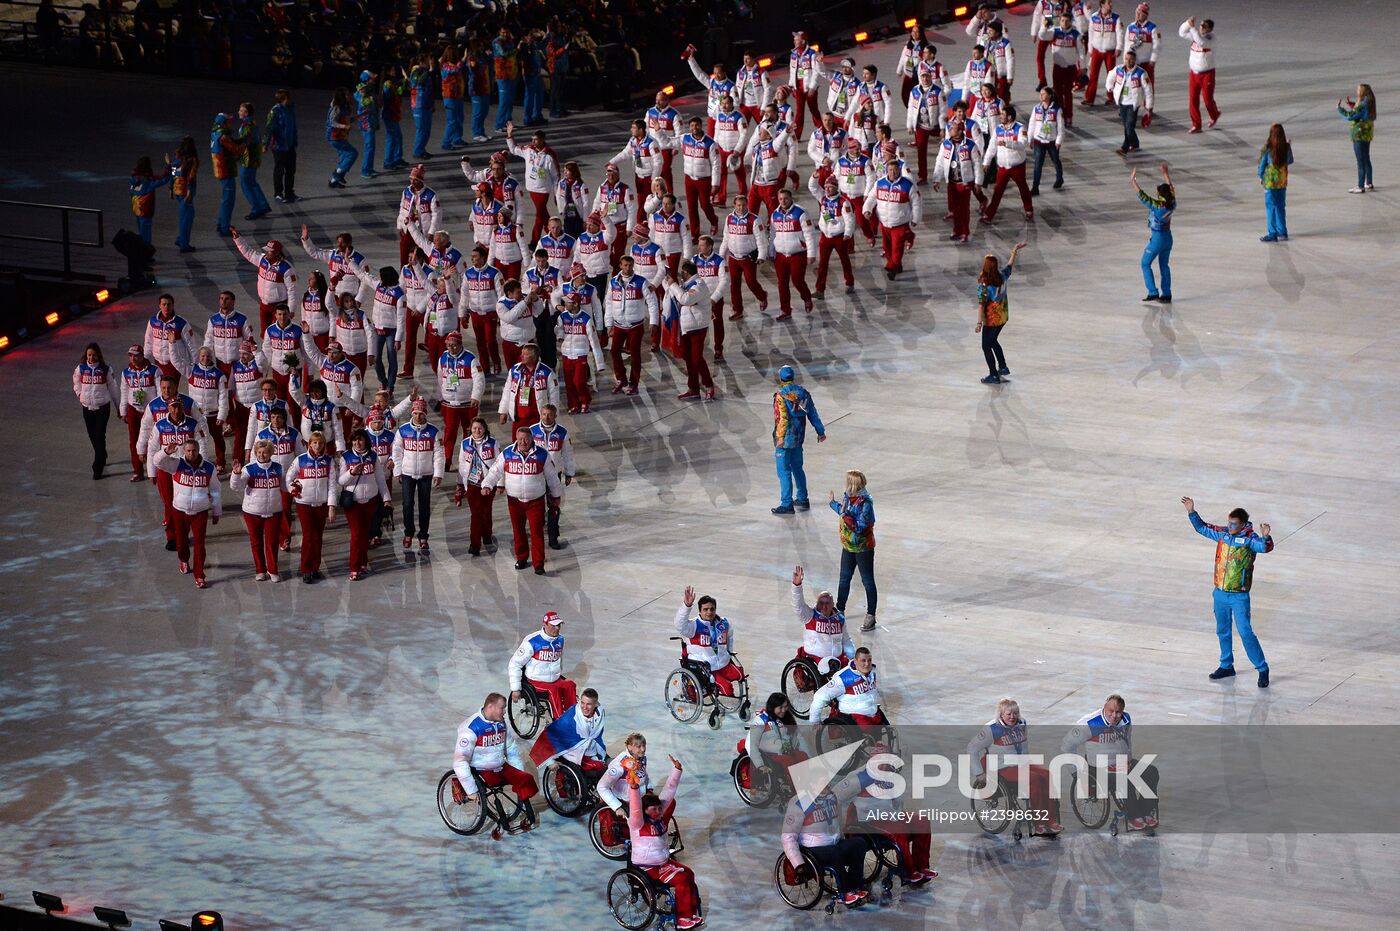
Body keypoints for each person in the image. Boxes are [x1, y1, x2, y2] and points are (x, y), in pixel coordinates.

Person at [1182, 496, 1274, 688]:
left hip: (1239, 596)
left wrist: (1266, 536)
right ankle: (1226, 665)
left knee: (1245, 632)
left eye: (1233, 524)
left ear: (1242, 524)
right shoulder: (1223, 534)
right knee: (1222, 630)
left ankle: (1262, 668)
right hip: (1220, 593)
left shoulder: (1250, 539)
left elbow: (1264, 548)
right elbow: (1202, 528)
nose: (1230, 527)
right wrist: (1192, 512)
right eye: (1229, 523)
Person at [1060, 693, 1159, 831]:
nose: (1114, 715)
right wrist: (1076, 772)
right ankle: (1133, 817)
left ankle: (1145, 811)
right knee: (1125, 779)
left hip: (1122, 762)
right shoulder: (1089, 724)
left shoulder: (1126, 719)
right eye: (1110, 711)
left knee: (1151, 772)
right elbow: (1067, 745)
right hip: (1099, 768)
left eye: (1118, 712)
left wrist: (1129, 760)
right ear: (1104, 708)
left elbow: (1127, 741)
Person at [967, 697, 1063, 836]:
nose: (1013, 717)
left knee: (1048, 775)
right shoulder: (991, 729)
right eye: (1009, 714)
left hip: (1022, 763)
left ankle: (1050, 820)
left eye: (1015, 713)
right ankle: (1039, 823)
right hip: (1003, 767)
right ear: (1001, 714)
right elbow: (972, 748)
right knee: (1034, 779)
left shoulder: (1022, 723)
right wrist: (979, 773)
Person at [626, 756, 702, 929]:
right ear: (645, 811)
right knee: (682, 879)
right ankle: (682, 919)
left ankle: (690, 914)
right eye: (654, 809)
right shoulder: (637, 823)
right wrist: (634, 788)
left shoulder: (659, 818)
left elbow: (668, 794)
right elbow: (636, 808)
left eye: (659, 809)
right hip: (647, 867)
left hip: (662, 862)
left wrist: (676, 771)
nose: (659, 811)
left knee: (689, 874)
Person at [781, 768, 872, 908]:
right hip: (813, 849)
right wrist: (798, 863)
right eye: (823, 783)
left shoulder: (831, 797)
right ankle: (845, 893)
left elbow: (850, 786)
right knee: (834, 854)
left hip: (834, 842)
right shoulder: (799, 803)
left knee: (859, 844)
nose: (828, 786)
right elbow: (788, 836)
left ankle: (855, 886)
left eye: (828, 782)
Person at [452, 693, 538, 831]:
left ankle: (527, 812)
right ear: (490, 707)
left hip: (500, 766)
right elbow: (460, 761)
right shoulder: (471, 728)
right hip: (481, 770)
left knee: (526, 779)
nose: (505, 712)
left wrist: (518, 771)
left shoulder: (501, 723)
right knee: (497, 782)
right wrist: (471, 790)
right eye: (502, 708)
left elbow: (511, 749)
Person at [482, 425, 562, 574]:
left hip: (536, 501)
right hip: (514, 501)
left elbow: (552, 477)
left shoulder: (542, 455)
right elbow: (495, 471)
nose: (523, 442)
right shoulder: (507, 453)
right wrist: (487, 484)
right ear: (516, 439)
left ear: (531, 439)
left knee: (536, 531)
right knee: (518, 530)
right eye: (520, 439)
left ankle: (538, 563)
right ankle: (522, 557)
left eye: (526, 439)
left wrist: (556, 495)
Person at [152, 438, 220, 588]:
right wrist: (165, 452)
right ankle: (183, 559)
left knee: (199, 544)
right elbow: (157, 462)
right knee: (181, 541)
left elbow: (215, 489)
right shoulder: (177, 464)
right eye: (188, 450)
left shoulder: (209, 468)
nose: (191, 453)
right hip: (179, 510)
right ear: (184, 451)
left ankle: (199, 575)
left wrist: (216, 511)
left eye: (194, 450)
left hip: (200, 512)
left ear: (198, 450)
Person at [826, 470, 878, 632]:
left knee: (867, 582)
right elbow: (843, 512)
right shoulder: (848, 497)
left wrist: (844, 513)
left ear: (853, 484)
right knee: (844, 579)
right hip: (848, 547)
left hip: (863, 548)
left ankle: (871, 615)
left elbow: (860, 527)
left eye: (848, 482)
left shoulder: (866, 503)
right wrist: (833, 503)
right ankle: (839, 611)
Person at [338, 428, 392, 580]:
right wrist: (352, 472)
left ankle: (363, 563)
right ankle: (354, 567)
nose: (358, 443)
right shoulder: (346, 457)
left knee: (365, 534)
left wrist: (386, 498)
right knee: (356, 535)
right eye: (355, 440)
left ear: (365, 441)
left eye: (360, 440)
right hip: (353, 503)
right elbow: (340, 481)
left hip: (371, 500)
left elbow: (380, 480)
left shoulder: (373, 456)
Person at [771, 365, 826, 514]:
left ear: (781, 378)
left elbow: (782, 418)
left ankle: (787, 503)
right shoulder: (804, 394)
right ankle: (802, 498)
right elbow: (813, 413)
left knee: (784, 471)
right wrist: (820, 431)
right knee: (797, 468)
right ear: (793, 377)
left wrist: (780, 438)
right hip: (798, 438)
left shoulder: (780, 396)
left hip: (785, 440)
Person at [392, 397, 444, 551]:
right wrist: (397, 471)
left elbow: (439, 454)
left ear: (426, 414)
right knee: (407, 505)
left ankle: (423, 536)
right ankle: (408, 533)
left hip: (426, 474)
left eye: (421, 414)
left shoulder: (434, 431)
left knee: (424, 506)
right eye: (415, 413)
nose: (418, 417)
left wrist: (438, 474)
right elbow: (397, 452)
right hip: (407, 474)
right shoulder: (403, 430)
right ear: (411, 414)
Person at [231, 438, 286, 581]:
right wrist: (236, 474)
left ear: (271, 453)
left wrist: (298, 486)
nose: (262, 455)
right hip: (252, 511)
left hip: (274, 510)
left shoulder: (278, 467)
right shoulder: (249, 468)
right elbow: (236, 487)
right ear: (256, 453)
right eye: (259, 452)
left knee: (272, 542)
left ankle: (273, 570)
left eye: (265, 452)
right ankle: (260, 570)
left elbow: (286, 486)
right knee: (256, 542)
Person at [674, 586, 744, 697]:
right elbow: (679, 625)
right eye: (705, 609)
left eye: (712, 609)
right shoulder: (693, 626)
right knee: (728, 690)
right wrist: (686, 606)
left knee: (740, 674)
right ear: (700, 611)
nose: (709, 612)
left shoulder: (723, 623)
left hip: (722, 663)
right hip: (706, 667)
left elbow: (730, 636)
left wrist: (729, 653)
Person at [285, 430, 337, 583]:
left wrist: (331, 506)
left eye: (320, 443)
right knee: (309, 536)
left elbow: (332, 485)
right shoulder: (300, 460)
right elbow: (289, 478)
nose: (317, 445)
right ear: (309, 444)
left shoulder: (329, 461)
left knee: (318, 537)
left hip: (321, 504)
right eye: (314, 442)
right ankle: (306, 568)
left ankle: (315, 567)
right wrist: (292, 489)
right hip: (304, 503)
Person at [604, 255, 659, 395]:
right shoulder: (613, 283)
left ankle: (634, 383)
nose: (628, 268)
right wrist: (608, 324)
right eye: (625, 265)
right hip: (618, 325)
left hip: (636, 325)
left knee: (635, 354)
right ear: (620, 266)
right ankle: (621, 379)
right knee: (614, 351)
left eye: (630, 265)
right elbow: (609, 303)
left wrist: (654, 322)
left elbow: (652, 302)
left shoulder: (641, 282)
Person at [508, 610, 576, 718]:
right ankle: (559, 723)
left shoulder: (560, 640)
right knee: (553, 691)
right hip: (536, 681)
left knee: (570, 685)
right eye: (553, 625)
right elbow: (515, 663)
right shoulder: (532, 641)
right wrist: (515, 689)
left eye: (559, 625)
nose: (557, 628)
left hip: (554, 679)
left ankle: (573, 717)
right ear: (544, 625)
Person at [791, 564, 856, 676]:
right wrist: (797, 585)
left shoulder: (839, 619)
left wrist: (853, 658)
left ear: (833, 604)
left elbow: (846, 640)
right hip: (816, 659)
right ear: (816, 604)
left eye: (827, 603)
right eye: (821, 603)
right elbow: (798, 606)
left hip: (837, 659)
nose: (824, 606)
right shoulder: (809, 615)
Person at [665, 262, 717, 401]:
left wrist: (673, 285)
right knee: (688, 358)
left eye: (682, 272)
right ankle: (693, 388)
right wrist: (670, 283)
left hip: (698, 327)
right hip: (687, 326)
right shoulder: (686, 285)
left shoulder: (698, 285)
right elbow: (675, 296)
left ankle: (709, 385)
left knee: (696, 358)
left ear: (686, 272)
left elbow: (685, 299)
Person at [352, 264, 407, 395]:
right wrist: (349, 261)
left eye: (382, 277)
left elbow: (401, 318)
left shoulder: (399, 295)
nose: (379, 278)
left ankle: (391, 386)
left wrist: (398, 339)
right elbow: (364, 276)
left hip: (391, 331)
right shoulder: (379, 286)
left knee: (391, 358)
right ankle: (383, 380)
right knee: (375, 359)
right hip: (377, 329)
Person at [975, 242, 1025, 385]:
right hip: (1003, 316)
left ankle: (993, 375)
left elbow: (981, 304)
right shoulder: (1001, 276)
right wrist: (1014, 251)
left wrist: (979, 322)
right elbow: (1009, 267)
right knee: (993, 341)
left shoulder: (984, 282)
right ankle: (1002, 367)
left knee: (986, 346)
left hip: (991, 319)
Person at [232, 229, 298, 335]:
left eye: (269, 251)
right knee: (265, 334)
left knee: (279, 333)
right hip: (263, 304)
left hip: (279, 307)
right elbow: (248, 252)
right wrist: (238, 239)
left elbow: (292, 291)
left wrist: (291, 310)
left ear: (277, 252)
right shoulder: (262, 260)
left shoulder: (287, 268)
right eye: (266, 250)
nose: (266, 252)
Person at [864, 160, 921, 281]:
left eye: (895, 170)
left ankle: (892, 268)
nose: (892, 172)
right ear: (886, 170)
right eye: (890, 170)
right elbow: (871, 198)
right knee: (887, 248)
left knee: (897, 249)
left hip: (900, 223)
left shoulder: (907, 185)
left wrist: (915, 218)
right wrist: (867, 209)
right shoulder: (880, 183)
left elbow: (916, 203)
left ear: (899, 170)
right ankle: (897, 265)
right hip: (884, 223)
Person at [505, 124, 560, 247]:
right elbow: (513, 149)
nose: (533, 142)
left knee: (540, 215)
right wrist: (509, 135)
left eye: (535, 139)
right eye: (532, 139)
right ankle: (555, 235)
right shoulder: (528, 150)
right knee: (543, 215)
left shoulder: (550, 155)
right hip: (531, 187)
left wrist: (557, 194)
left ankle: (535, 242)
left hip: (543, 189)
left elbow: (556, 176)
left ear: (542, 140)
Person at [529, 686, 606, 774]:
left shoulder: (600, 715)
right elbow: (551, 735)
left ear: (596, 704)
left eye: (588, 704)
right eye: (582, 703)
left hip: (591, 750)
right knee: (599, 767)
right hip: (573, 751)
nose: (584, 707)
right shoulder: (571, 717)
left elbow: (597, 736)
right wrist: (549, 762)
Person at [74, 343, 121, 479]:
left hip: (102, 408)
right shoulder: (81, 368)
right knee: (92, 435)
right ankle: (102, 454)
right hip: (87, 407)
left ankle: (98, 467)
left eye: (94, 354)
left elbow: (114, 389)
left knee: (100, 435)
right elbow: (76, 382)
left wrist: (119, 408)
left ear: (98, 355)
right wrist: (79, 394)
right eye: (89, 355)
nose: (91, 357)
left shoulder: (106, 370)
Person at [718, 194, 769, 319]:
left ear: (747, 205)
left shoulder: (754, 219)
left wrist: (761, 255)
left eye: (743, 205)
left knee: (751, 282)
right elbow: (726, 238)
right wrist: (721, 256)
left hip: (748, 259)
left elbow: (761, 239)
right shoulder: (729, 218)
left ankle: (762, 296)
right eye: (738, 205)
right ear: (734, 205)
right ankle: (737, 310)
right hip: (733, 258)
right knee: (734, 284)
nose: (741, 208)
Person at [933, 120, 985, 243]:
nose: (950, 129)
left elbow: (977, 164)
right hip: (951, 182)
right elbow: (940, 162)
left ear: (960, 131)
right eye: (950, 128)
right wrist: (936, 179)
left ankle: (964, 232)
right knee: (954, 209)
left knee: (964, 208)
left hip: (965, 182)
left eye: (953, 128)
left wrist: (978, 182)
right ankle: (956, 230)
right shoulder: (945, 144)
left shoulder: (971, 145)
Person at [529, 404, 573, 549]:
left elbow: (567, 454)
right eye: (544, 414)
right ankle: (539, 529)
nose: (546, 417)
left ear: (555, 416)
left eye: (549, 414)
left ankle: (553, 537)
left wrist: (569, 473)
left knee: (554, 505)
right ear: (540, 415)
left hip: (555, 474)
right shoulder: (532, 431)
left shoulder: (562, 432)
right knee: (537, 505)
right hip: (536, 474)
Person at [768, 189, 817, 318]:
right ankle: (785, 310)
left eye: (785, 198)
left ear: (791, 198)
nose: (783, 201)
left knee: (797, 281)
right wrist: (771, 251)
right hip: (780, 255)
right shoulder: (775, 215)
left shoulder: (800, 213)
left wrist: (811, 253)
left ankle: (806, 298)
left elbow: (809, 234)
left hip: (798, 254)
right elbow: (772, 234)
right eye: (780, 199)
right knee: (782, 283)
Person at [980, 105, 1033, 223]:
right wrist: (986, 162)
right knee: (997, 190)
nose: (1000, 117)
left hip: (1017, 166)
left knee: (1023, 188)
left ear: (1009, 117)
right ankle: (989, 215)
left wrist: (1008, 143)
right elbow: (991, 147)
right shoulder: (998, 129)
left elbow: (1023, 144)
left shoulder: (1020, 128)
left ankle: (1029, 209)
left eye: (1003, 115)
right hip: (1003, 166)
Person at [1131, 162, 1174, 303]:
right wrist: (1165, 173)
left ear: (1160, 195)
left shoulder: (1157, 206)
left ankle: (1153, 291)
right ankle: (1166, 294)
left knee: (1145, 263)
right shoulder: (1172, 203)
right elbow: (1171, 190)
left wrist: (1133, 181)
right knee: (1164, 265)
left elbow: (1143, 196)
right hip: (1168, 238)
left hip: (1157, 239)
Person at [455, 417, 499, 556]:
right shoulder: (464, 444)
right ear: (470, 429)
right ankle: (475, 544)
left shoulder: (493, 443)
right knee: (476, 514)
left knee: (486, 511)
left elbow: (499, 464)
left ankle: (487, 534)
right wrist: (460, 484)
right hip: (472, 484)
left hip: (488, 483)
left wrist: (500, 484)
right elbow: (461, 464)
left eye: (480, 428)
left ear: (485, 429)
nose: (477, 431)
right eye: (474, 428)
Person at [183, 347, 230, 473]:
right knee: (196, 440)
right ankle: (196, 462)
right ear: (199, 356)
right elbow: (177, 361)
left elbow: (223, 397)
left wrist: (222, 416)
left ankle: (220, 463)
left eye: (208, 356)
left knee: (218, 439)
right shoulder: (192, 370)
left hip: (213, 414)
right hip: (196, 415)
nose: (205, 358)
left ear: (212, 357)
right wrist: (172, 343)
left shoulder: (219, 375)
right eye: (203, 355)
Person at [119, 345, 161, 481]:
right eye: (131, 355)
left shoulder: (154, 370)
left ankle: (154, 469)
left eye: (136, 355)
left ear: (143, 355)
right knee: (134, 441)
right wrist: (123, 410)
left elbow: (160, 391)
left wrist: (161, 408)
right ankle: (137, 471)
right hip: (133, 410)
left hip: (150, 411)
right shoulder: (126, 373)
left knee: (153, 440)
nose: (133, 358)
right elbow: (124, 392)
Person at [1040, 10, 1084, 127]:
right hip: (1057, 68)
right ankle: (1059, 115)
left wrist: (1082, 68)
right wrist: (1044, 26)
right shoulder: (1055, 31)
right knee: (1057, 93)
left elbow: (1081, 53)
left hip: (1070, 68)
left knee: (1067, 94)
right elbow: (1042, 36)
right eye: (1062, 20)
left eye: (1067, 21)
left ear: (1071, 21)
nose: (1064, 23)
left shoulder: (1076, 34)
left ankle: (1068, 116)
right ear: (1059, 20)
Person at [1106, 50, 1153, 155]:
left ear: (1135, 60)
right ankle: (1135, 143)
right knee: (1127, 127)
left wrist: (1148, 108)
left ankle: (1124, 148)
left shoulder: (1141, 73)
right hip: (1122, 102)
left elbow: (1148, 91)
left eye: (1131, 59)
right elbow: (1110, 75)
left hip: (1133, 104)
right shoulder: (1119, 69)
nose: (1128, 61)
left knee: (1129, 127)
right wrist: (1109, 87)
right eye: (1126, 59)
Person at [1178, 16, 1219, 133]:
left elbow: (1201, 43)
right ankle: (1196, 124)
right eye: (1200, 25)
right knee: (1193, 99)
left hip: (1207, 74)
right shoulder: (1195, 34)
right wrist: (1187, 23)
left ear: (1210, 29)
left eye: (1204, 26)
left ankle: (1214, 115)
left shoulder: (1212, 39)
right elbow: (1181, 32)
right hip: (1194, 74)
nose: (1201, 28)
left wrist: (1192, 28)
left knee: (1207, 100)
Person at [143, 293, 196, 378]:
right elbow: (148, 341)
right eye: (164, 304)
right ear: (159, 305)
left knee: (171, 390)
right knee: (160, 390)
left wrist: (195, 364)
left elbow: (191, 345)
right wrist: (144, 359)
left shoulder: (181, 323)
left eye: (169, 304)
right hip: (158, 363)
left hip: (175, 364)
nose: (166, 307)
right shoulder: (152, 322)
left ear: (173, 305)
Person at [235, 102, 272, 221]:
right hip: (254, 157)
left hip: (248, 159)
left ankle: (256, 208)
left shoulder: (247, 126)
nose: (238, 112)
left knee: (245, 183)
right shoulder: (252, 123)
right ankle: (263, 205)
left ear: (246, 113)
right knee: (252, 182)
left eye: (241, 110)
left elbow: (244, 142)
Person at [1258, 123, 1294, 242]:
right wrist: (1288, 146)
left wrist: (1260, 176)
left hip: (1270, 182)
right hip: (1282, 182)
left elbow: (1262, 163)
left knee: (1270, 207)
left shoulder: (1267, 147)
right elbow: (1290, 160)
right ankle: (1282, 231)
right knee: (1280, 206)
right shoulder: (1286, 147)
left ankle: (1272, 233)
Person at [1338, 85, 1376, 193]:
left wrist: (1339, 109)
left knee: (1360, 161)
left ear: (1362, 92)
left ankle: (1360, 186)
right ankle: (1368, 182)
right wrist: (1352, 105)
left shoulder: (1363, 104)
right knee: (1366, 158)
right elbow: (1360, 112)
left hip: (1359, 135)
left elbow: (1350, 116)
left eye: (1358, 89)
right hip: (1367, 135)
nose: (1357, 91)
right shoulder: (1369, 102)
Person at [209, 113, 243, 236]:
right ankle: (224, 228)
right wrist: (247, 143)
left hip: (221, 171)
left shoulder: (215, 133)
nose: (230, 123)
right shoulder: (223, 137)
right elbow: (236, 150)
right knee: (228, 201)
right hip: (226, 172)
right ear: (223, 124)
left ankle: (221, 224)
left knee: (225, 199)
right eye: (228, 121)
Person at [1083, 0, 1122, 106]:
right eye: (1109, 3)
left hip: (1110, 51)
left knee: (1111, 75)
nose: (1111, 4)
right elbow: (1090, 33)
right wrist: (1090, 49)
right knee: (1093, 75)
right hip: (1096, 50)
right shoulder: (1094, 17)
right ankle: (1089, 98)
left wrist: (1118, 48)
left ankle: (1112, 97)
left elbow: (1119, 33)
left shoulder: (1115, 18)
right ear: (1102, 4)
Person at [1028, 84, 1065, 194]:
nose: (1041, 96)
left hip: (1051, 141)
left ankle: (1059, 178)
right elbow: (1031, 124)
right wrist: (1030, 138)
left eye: (1043, 94)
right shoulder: (1036, 108)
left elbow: (1060, 126)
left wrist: (1059, 140)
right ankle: (1035, 187)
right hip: (1038, 141)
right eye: (1040, 94)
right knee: (1037, 164)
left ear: (1049, 95)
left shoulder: (1057, 110)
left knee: (1056, 160)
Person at [127, 156, 169, 245]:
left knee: (141, 231)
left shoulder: (132, 178)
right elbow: (165, 179)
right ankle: (145, 254)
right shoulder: (148, 182)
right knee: (146, 235)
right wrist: (170, 167)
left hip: (136, 209)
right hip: (145, 211)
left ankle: (141, 252)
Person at [266, 88, 298, 204]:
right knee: (279, 170)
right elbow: (269, 128)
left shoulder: (290, 109)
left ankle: (289, 193)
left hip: (290, 145)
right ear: (284, 99)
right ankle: (278, 194)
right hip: (279, 146)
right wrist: (265, 144)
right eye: (288, 98)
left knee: (291, 170)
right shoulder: (275, 111)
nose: (290, 100)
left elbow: (293, 126)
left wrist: (294, 141)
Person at [167, 137, 198, 253]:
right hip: (186, 193)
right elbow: (191, 176)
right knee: (187, 219)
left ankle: (181, 239)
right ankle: (184, 245)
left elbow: (173, 173)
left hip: (178, 191)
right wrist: (189, 191)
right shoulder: (191, 160)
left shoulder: (176, 158)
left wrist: (170, 188)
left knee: (183, 216)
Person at [325, 87, 358, 189]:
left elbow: (346, 120)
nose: (349, 96)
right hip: (334, 136)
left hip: (341, 136)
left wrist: (358, 117)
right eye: (347, 95)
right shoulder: (337, 107)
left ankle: (333, 181)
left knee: (344, 157)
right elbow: (332, 122)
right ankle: (337, 175)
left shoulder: (345, 107)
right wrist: (345, 126)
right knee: (352, 153)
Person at [1123, 3, 1161, 87]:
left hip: (1146, 63)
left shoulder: (1152, 27)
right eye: (1136, 12)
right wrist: (1125, 60)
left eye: (1140, 13)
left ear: (1145, 15)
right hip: (1132, 63)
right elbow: (1126, 44)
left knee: (1148, 86)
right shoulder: (1130, 27)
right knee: (1130, 86)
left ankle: (1148, 101)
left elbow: (1157, 45)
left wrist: (1153, 60)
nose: (1137, 14)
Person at [354, 72, 381, 181]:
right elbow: (365, 103)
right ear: (366, 80)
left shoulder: (370, 91)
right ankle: (365, 170)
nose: (373, 80)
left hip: (371, 121)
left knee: (371, 146)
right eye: (371, 79)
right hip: (366, 123)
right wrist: (370, 98)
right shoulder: (362, 91)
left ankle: (369, 168)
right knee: (369, 146)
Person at [408, 53, 436, 158]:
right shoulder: (415, 71)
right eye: (428, 60)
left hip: (426, 104)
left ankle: (422, 149)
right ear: (422, 62)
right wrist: (429, 72)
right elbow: (418, 81)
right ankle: (417, 151)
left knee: (427, 130)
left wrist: (432, 104)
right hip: (418, 104)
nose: (430, 62)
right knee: (421, 129)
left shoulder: (424, 72)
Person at [492, 28, 520, 133]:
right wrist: (516, 50)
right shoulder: (497, 41)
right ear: (499, 32)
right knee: (504, 101)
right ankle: (499, 125)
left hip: (511, 74)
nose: (505, 34)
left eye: (507, 32)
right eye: (503, 32)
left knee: (510, 100)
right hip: (502, 75)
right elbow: (504, 53)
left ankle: (507, 123)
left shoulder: (509, 41)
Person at [380, 70, 407, 171]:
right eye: (391, 70)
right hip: (389, 114)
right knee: (391, 138)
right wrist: (401, 84)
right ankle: (388, 161)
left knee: (398, 137)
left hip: (393, 113)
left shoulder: (392, 84)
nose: (394, 72)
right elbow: (391, 96)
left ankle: (397, 158)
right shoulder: (388, 84)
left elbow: (398, 92)